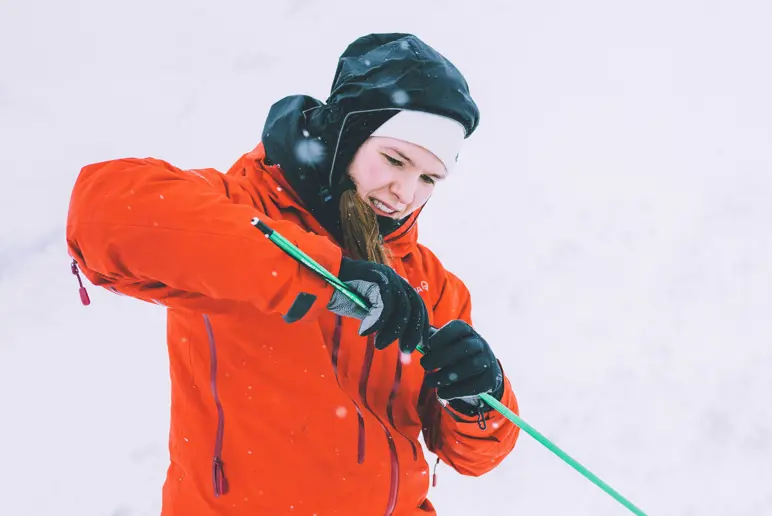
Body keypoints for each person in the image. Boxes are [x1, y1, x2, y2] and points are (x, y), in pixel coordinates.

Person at [65, 33, 520, 516]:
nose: (405, 192)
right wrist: (326, 273)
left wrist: (480, 399)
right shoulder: (243, 211)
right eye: (394, 159)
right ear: (348, 134)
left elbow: (474, 455)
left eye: (429, 178)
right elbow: (102, 212)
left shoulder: (427, 282)